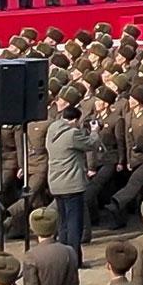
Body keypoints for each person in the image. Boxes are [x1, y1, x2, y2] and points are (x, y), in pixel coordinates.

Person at [46, 91, 95, 257]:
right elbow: (90, 144)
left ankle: (63, 255)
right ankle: (74, 257)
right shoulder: (72, 134)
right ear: (74, 120)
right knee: (74, 223)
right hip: (72, 184)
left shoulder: (51, 130)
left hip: (56, 183)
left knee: (63, 223)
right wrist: (94, 131)